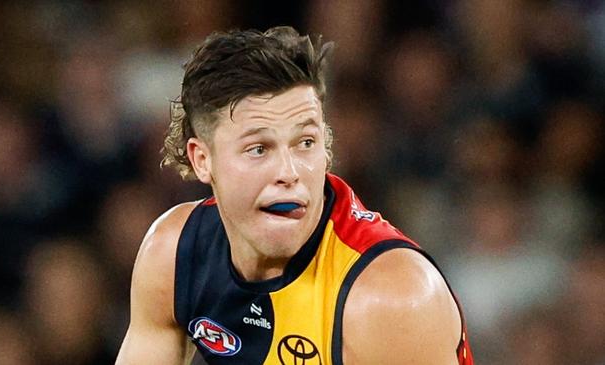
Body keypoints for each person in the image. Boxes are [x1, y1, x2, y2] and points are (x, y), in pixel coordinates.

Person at [116, 26, 473, 365]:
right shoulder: (175, 253)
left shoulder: (390, 295)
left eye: (305, 143)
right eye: (258, 149)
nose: (289, 173)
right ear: (202, 160)